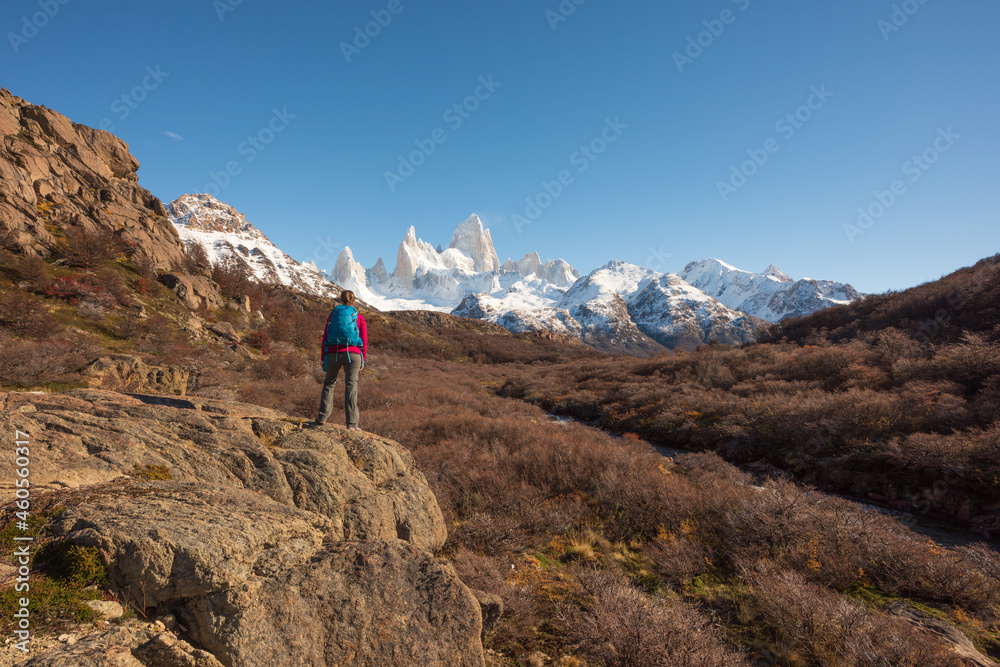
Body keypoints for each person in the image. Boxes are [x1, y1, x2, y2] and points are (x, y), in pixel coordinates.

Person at [315, 290, 367, 430]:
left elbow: (325, 337)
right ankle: (352, 424)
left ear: (340, 300)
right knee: (351, 387)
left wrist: (323, 358)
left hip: (333, 353)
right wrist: (363, 359)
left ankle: (322, 417)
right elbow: (364, 340)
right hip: (354, 355)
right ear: (354, 301)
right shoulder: (359, 317)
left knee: (329, 384)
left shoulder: (332, 315)